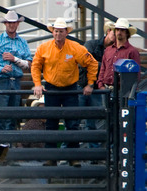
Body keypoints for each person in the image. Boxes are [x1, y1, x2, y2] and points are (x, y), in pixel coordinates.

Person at [31, 17, 98, 167]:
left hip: (69, 89)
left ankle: (72, 157)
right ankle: (52, 157)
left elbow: (92, 63)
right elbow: (35, 65)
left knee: (72, 123)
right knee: (51, 123)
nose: (58, 34)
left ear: (66, 32)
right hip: (52, 88)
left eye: (61, 31)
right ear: (53, 32)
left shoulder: (75, 48)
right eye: (56, 31)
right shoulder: (44, 48)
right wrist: (37, 83)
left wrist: (90, 83)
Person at [0, 11, 32, 130]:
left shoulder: (22, 42)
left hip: (15, 81)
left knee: (12, 117)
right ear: (5, 24)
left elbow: (29, 64)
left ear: (17, 24)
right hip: (1, 80)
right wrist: (1, 69)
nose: (11, 25)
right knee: (0, 117)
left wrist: (14, 59)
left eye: (14, 23)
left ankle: (9, 146)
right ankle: (1, 146)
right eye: (9, 23)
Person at [78, 21, 115, 149]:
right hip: (83, 85)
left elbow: (89, 63)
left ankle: (87, 152)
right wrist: (105, 67)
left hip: (92, 86)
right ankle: (78, 152)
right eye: (113, 31)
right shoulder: (92, 45)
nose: (116, 35)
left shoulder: (93, 45)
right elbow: (85, 62)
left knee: (91, 120)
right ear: (108, 32)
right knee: (77, 119)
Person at [96, 18, 141, 90]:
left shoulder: (132, 51)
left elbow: (136, 74)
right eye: (117, 30)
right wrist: (101, 84)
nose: (119, 32)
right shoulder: (108, 50)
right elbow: (103, 68)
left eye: (122, 30)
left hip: (123, 91)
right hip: (106, 89)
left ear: (127, 33)